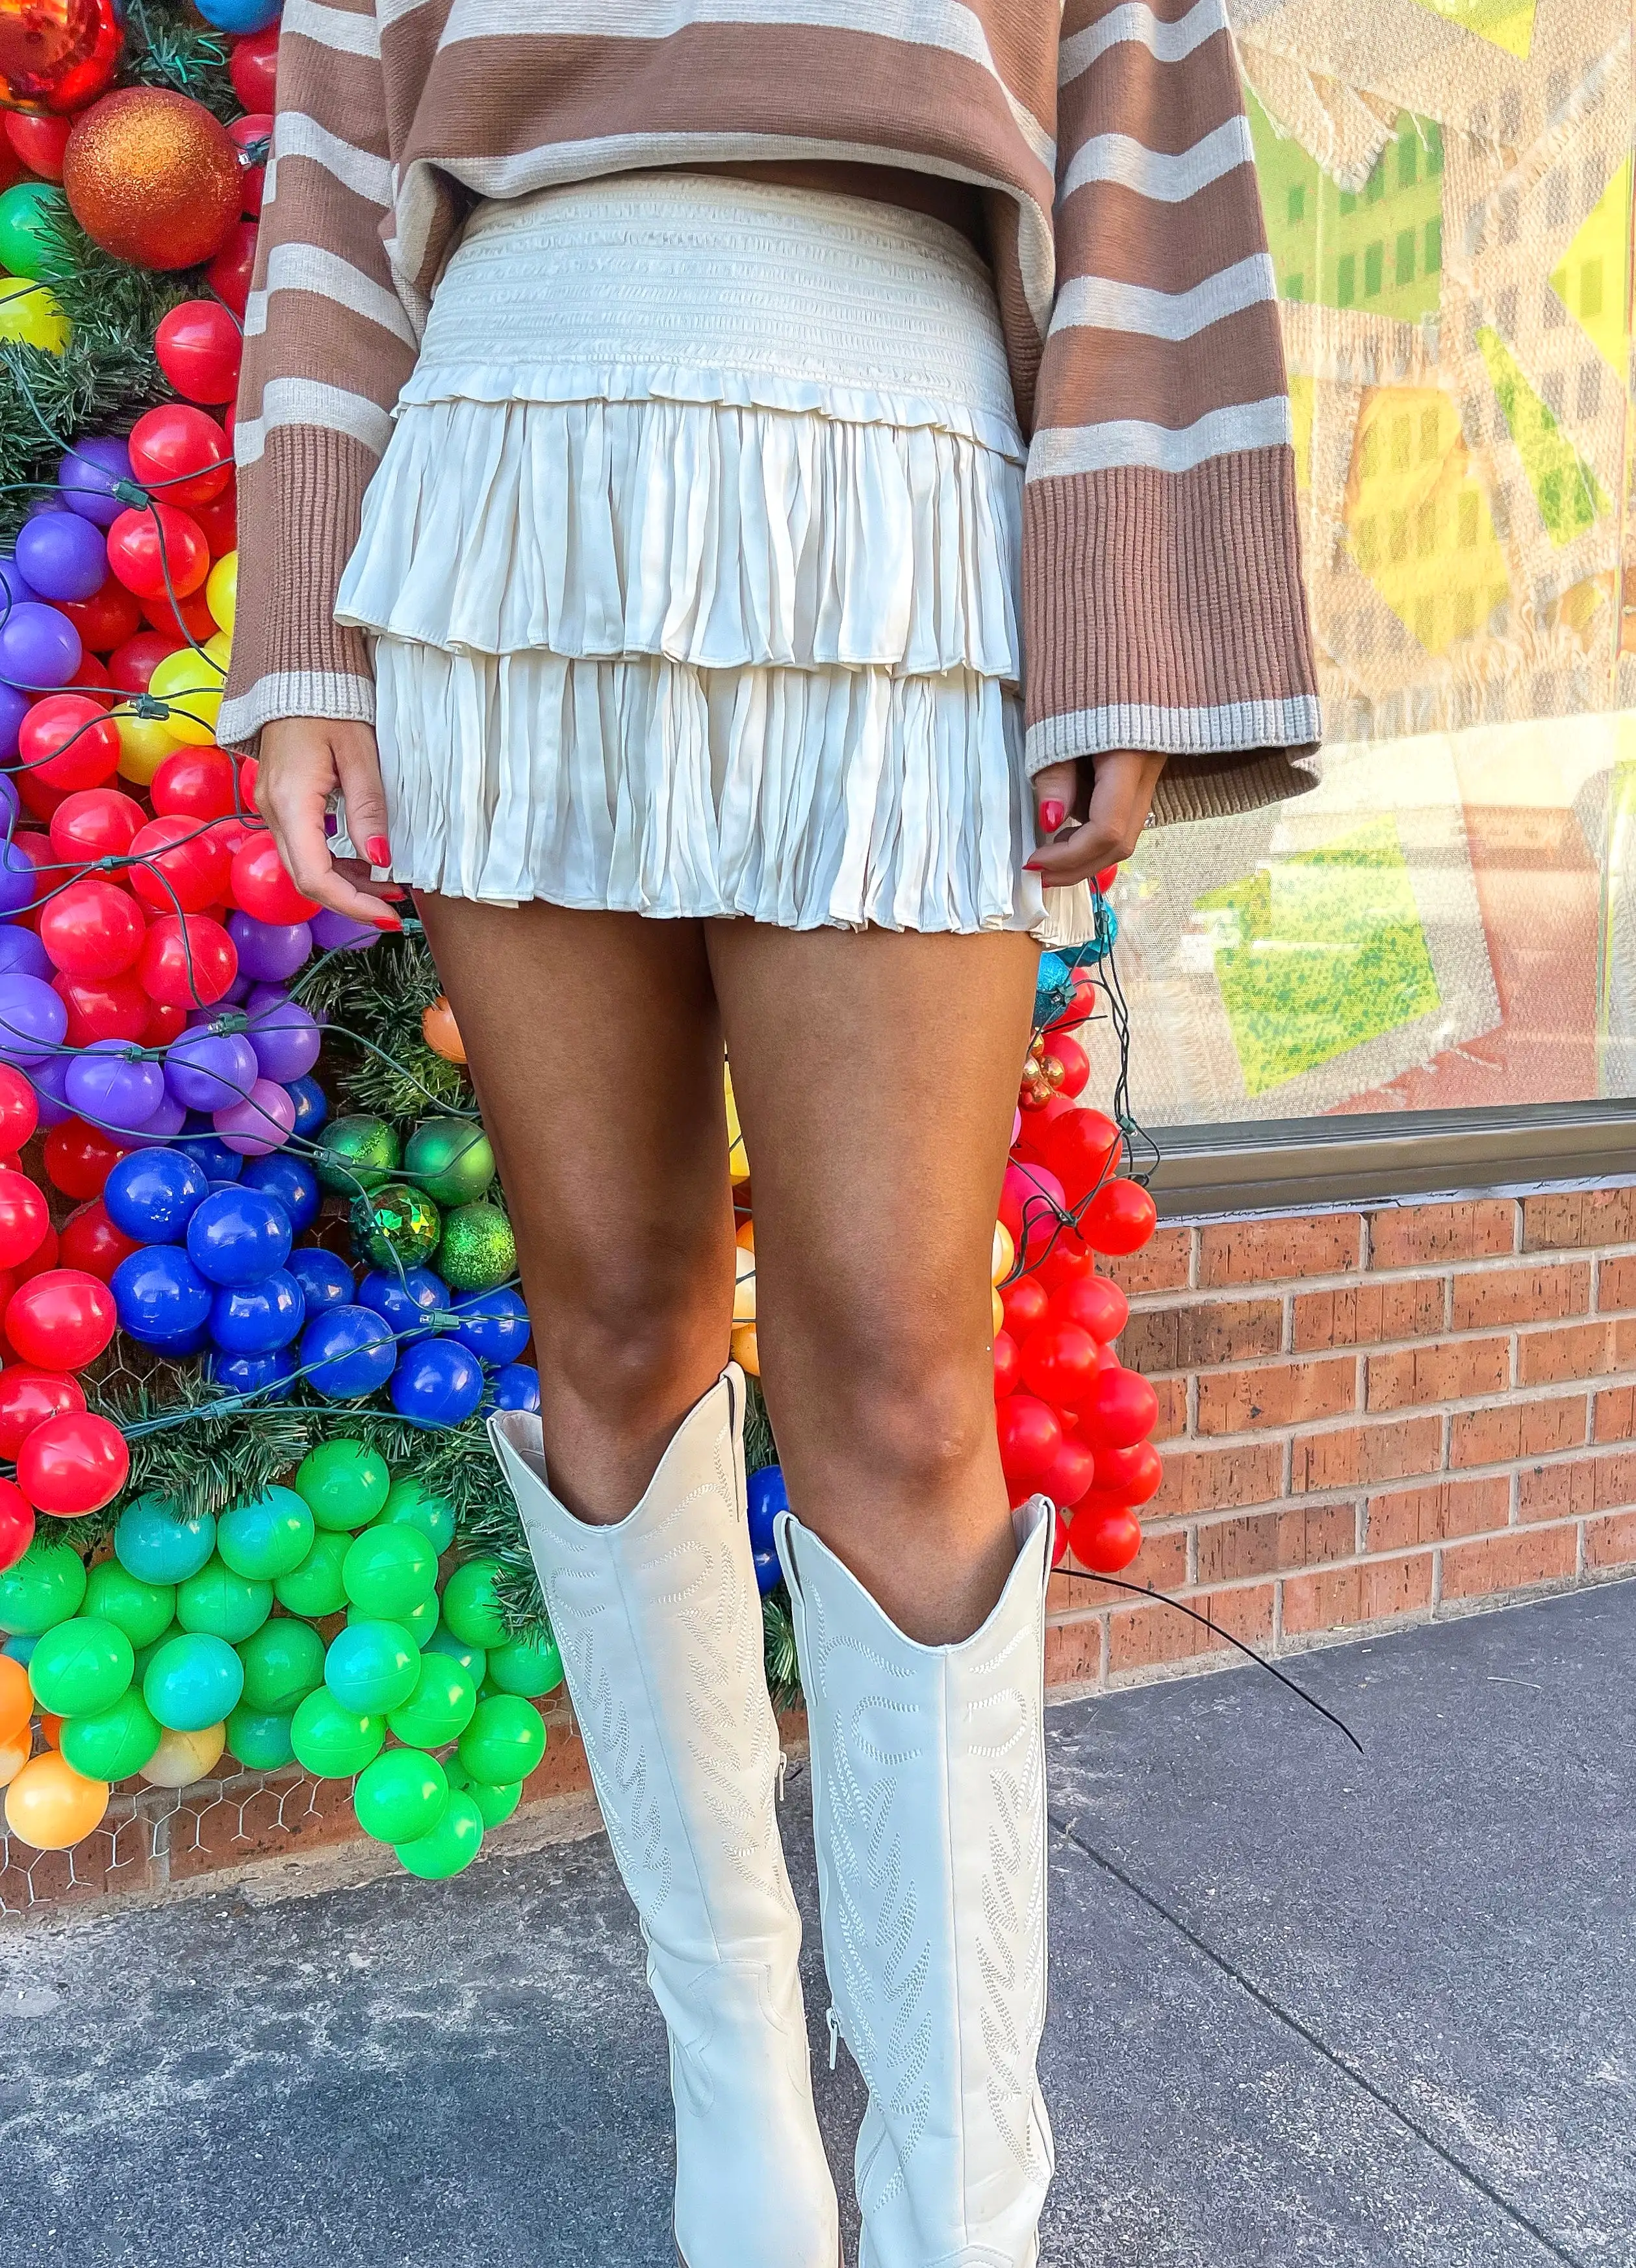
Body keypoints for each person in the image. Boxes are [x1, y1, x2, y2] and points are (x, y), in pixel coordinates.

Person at [222, 5, 1318, 2261]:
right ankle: (741, 2107)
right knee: (609, 1324)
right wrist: (305, 644)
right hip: (501, 486)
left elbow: (1138, 133)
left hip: (900, 472)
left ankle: (959, 2190)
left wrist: (1120, 607)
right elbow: (339, 155)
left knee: (902, 1381)